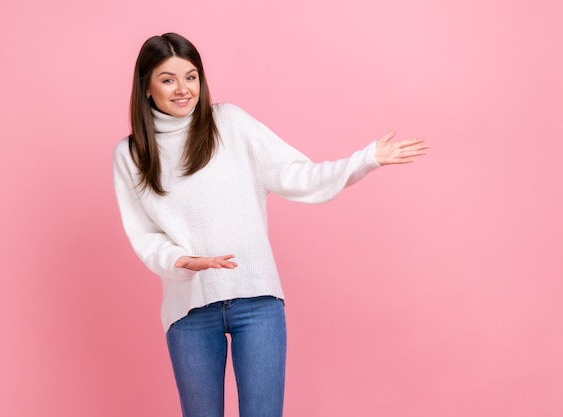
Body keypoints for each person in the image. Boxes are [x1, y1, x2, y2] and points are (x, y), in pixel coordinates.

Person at [113, 32, 428, 417]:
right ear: (146, 87)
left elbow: (297, 176)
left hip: (257, 302)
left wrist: (364, 159)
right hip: (189, 311)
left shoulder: (229, 123)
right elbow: (144, 234)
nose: (183, 89)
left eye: (191, 76)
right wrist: (181, 261)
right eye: (168, 79)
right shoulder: (131, 154)